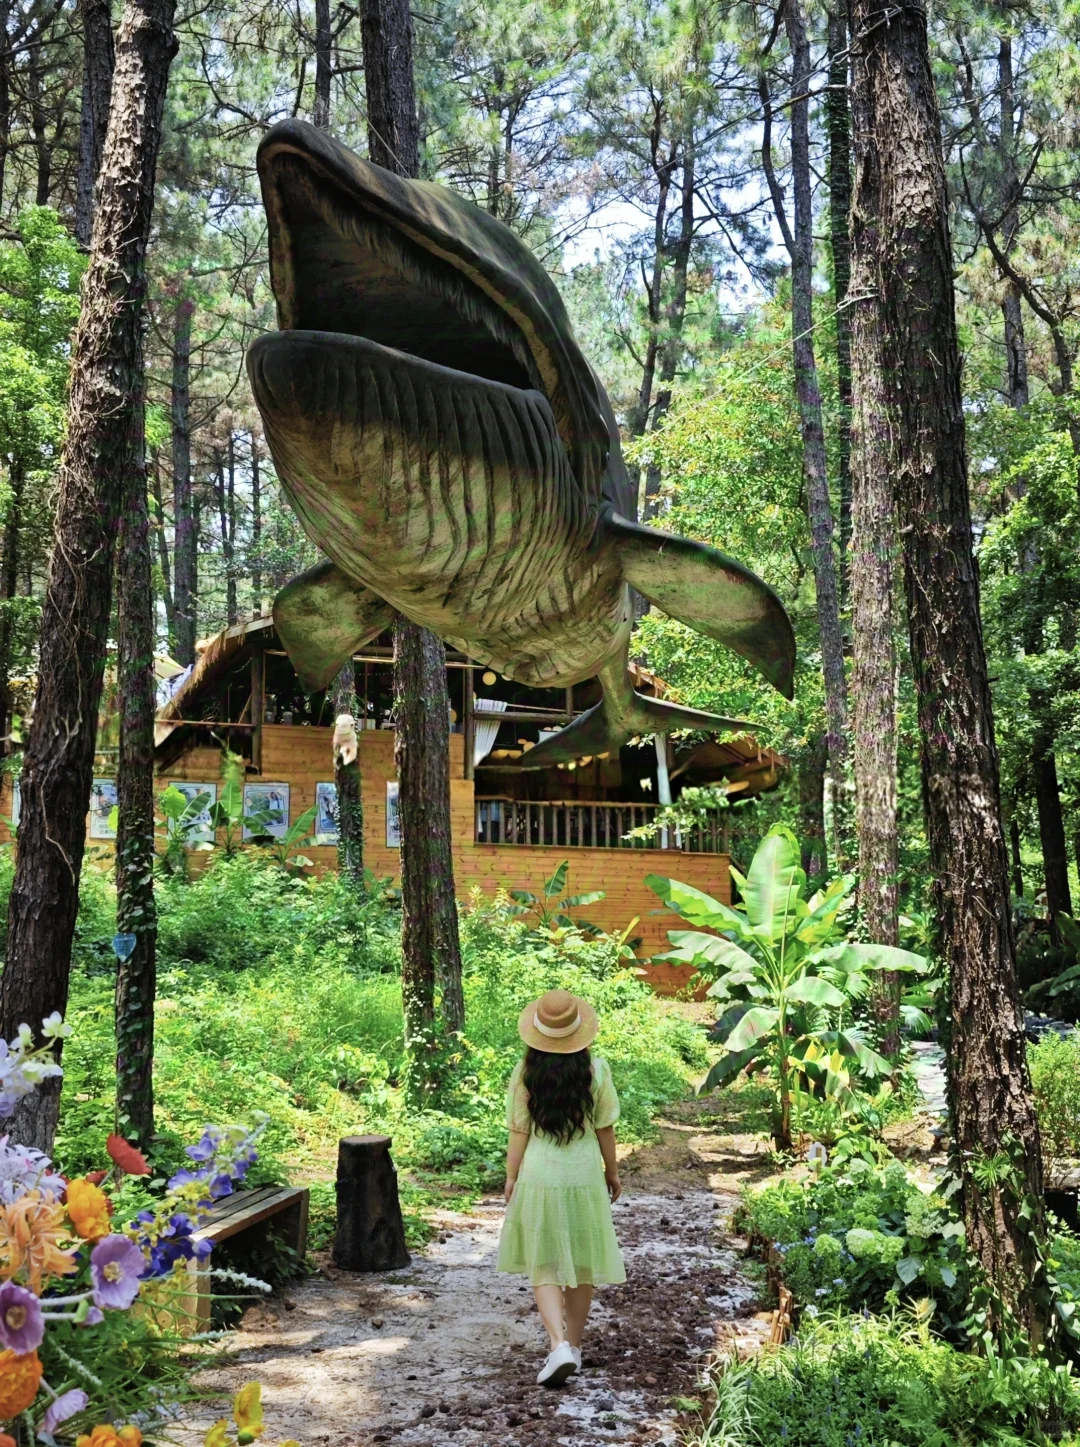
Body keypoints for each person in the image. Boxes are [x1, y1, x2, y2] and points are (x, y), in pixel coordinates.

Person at [497, 988, 626, 1388]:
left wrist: (512, 1176)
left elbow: (519, 1131)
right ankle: (574, 1344)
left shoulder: (526, 1073)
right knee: (582, 1262)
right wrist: (612, 1171)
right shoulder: (597, 1071)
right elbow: (605, 1127)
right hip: (583, 1175)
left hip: (540, 1174)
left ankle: (557, 1346)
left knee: (544, 1260)